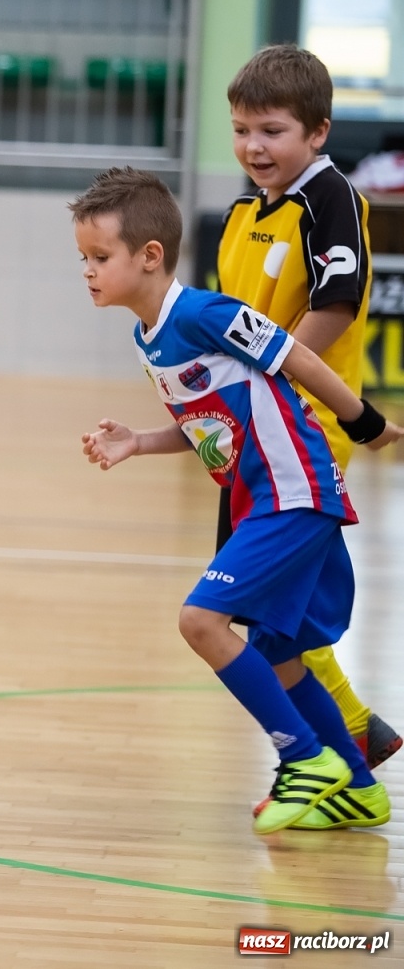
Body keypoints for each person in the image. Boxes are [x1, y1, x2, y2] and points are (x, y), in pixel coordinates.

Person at [75, 167, 398, 833]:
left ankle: (304, 760)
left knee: (201, 622)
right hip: (268, 499)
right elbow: (212, 431)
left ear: (151, 255)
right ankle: (357, 786)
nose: (88, 270)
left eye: (99, 257)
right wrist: (140, 440)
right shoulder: (150, 337)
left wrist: (363, 423)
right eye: (84, 258)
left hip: (294, 492)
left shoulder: (203, 313)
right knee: (281, 654)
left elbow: (300, 361)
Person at [214, 44, 399, 777]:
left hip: (303, 433)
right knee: (280, 611)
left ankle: (324, 759)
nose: (253, 146)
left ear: (317, 132)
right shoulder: (243, 212)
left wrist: (275, 377)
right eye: (240, 130)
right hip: (251, 433)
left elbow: (338, 304)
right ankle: (355, 740)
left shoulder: (329, 199)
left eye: (272, 130)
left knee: (252, 609)